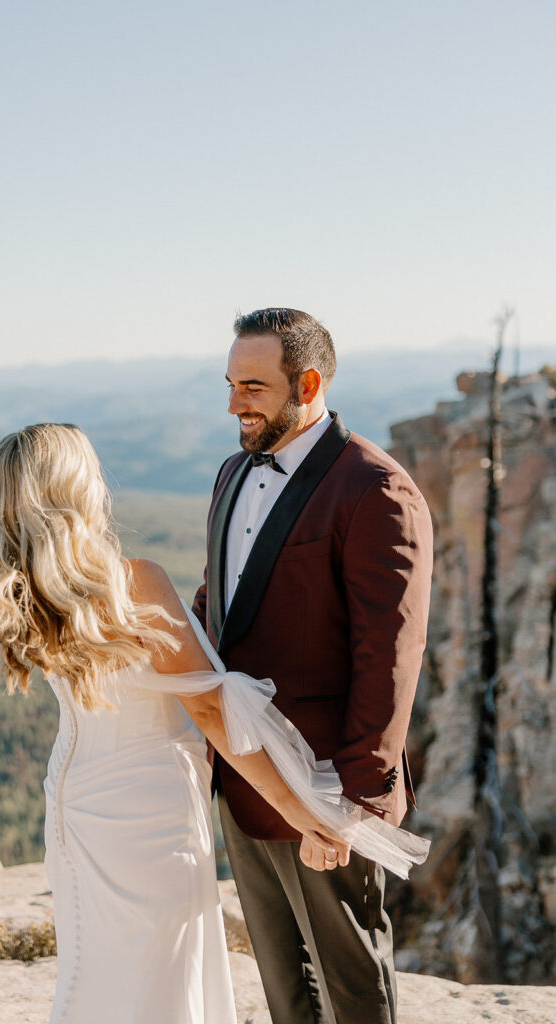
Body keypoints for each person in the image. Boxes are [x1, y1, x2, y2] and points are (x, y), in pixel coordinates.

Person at [0, 422, 355, 1024]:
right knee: (160, 983)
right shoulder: (132, 583)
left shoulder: (30, 592)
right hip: (148, 812)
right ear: (77, 487)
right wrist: (303, 811)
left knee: (97, 974)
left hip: (76, 802)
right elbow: (209, 709)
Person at [193, 308, 434, 1024]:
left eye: (253, 387)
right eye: (231, 383)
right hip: (242, 772)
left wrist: (350, 804)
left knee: (350, 980)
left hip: (324, 787)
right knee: (281, 980)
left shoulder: (374, 490)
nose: (234, 402)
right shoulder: (231, 471)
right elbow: (219, 600)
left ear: (307, 382)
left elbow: (388, 657)